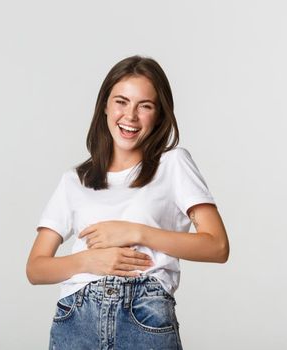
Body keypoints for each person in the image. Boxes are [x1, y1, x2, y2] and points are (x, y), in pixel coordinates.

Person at [26, 55, 229, 349]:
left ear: (159, 115)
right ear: (105, 106)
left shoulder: (173, 164)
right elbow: (35, 268)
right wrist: (88, 261)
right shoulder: (75, 180)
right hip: (76, 318)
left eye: (144, 106)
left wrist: (136, 232)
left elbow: (217, 246)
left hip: (143, 314)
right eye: (121, 101)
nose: (130, 116)